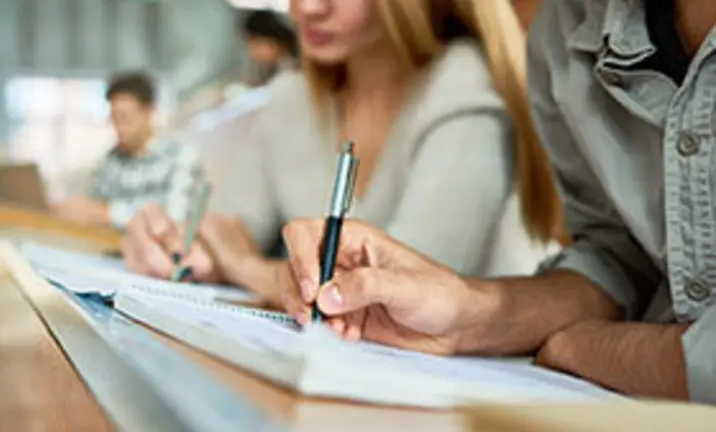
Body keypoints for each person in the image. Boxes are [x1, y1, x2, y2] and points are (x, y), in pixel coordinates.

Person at [280, 0, 716, 404]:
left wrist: (600, 350)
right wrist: (467, 310)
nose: (307, 7)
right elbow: (621, 260)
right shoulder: (566, 28)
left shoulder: (463, 81)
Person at [123, 0, 561, 306]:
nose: (307, 7)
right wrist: (172, 241)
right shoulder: (292, 97)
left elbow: (404, 290)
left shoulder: (466, 82)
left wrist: (247, 266)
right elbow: (224, 228)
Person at [53, 72, 198, 229]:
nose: (119, 127)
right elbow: (96, 202)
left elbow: (176, 215)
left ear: (149, 111)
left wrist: (109, 214)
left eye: (125, 118)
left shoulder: (180, 159)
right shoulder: (112, 161)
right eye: (114, 118)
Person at [241, 10, 300, 86]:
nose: (253, 51)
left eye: (258, 44)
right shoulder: (260, 69)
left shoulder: (294, 71)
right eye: (250, 43)